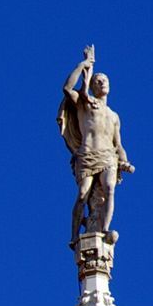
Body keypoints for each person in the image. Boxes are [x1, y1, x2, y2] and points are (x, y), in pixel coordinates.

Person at [59, 46, 134, 246]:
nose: (102, 83)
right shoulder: (85, 104)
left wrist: (124, 161)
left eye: (105, 81)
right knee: (83, 194)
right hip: (87, 154)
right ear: (92, 86)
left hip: (108, 156)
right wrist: (83, 65)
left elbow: (118, 144)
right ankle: (74, 235)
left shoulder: (114, 116)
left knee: (109, 189)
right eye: (98, 81)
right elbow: (67, 89)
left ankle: (105, 228)